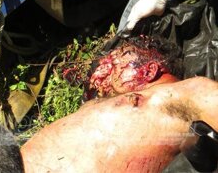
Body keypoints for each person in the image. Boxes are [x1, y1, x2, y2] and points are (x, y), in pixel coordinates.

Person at [20, 40, 218, 173]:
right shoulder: (102, 103)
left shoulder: (184, 94)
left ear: (149, 71)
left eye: (116, 60)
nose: (104, 65)